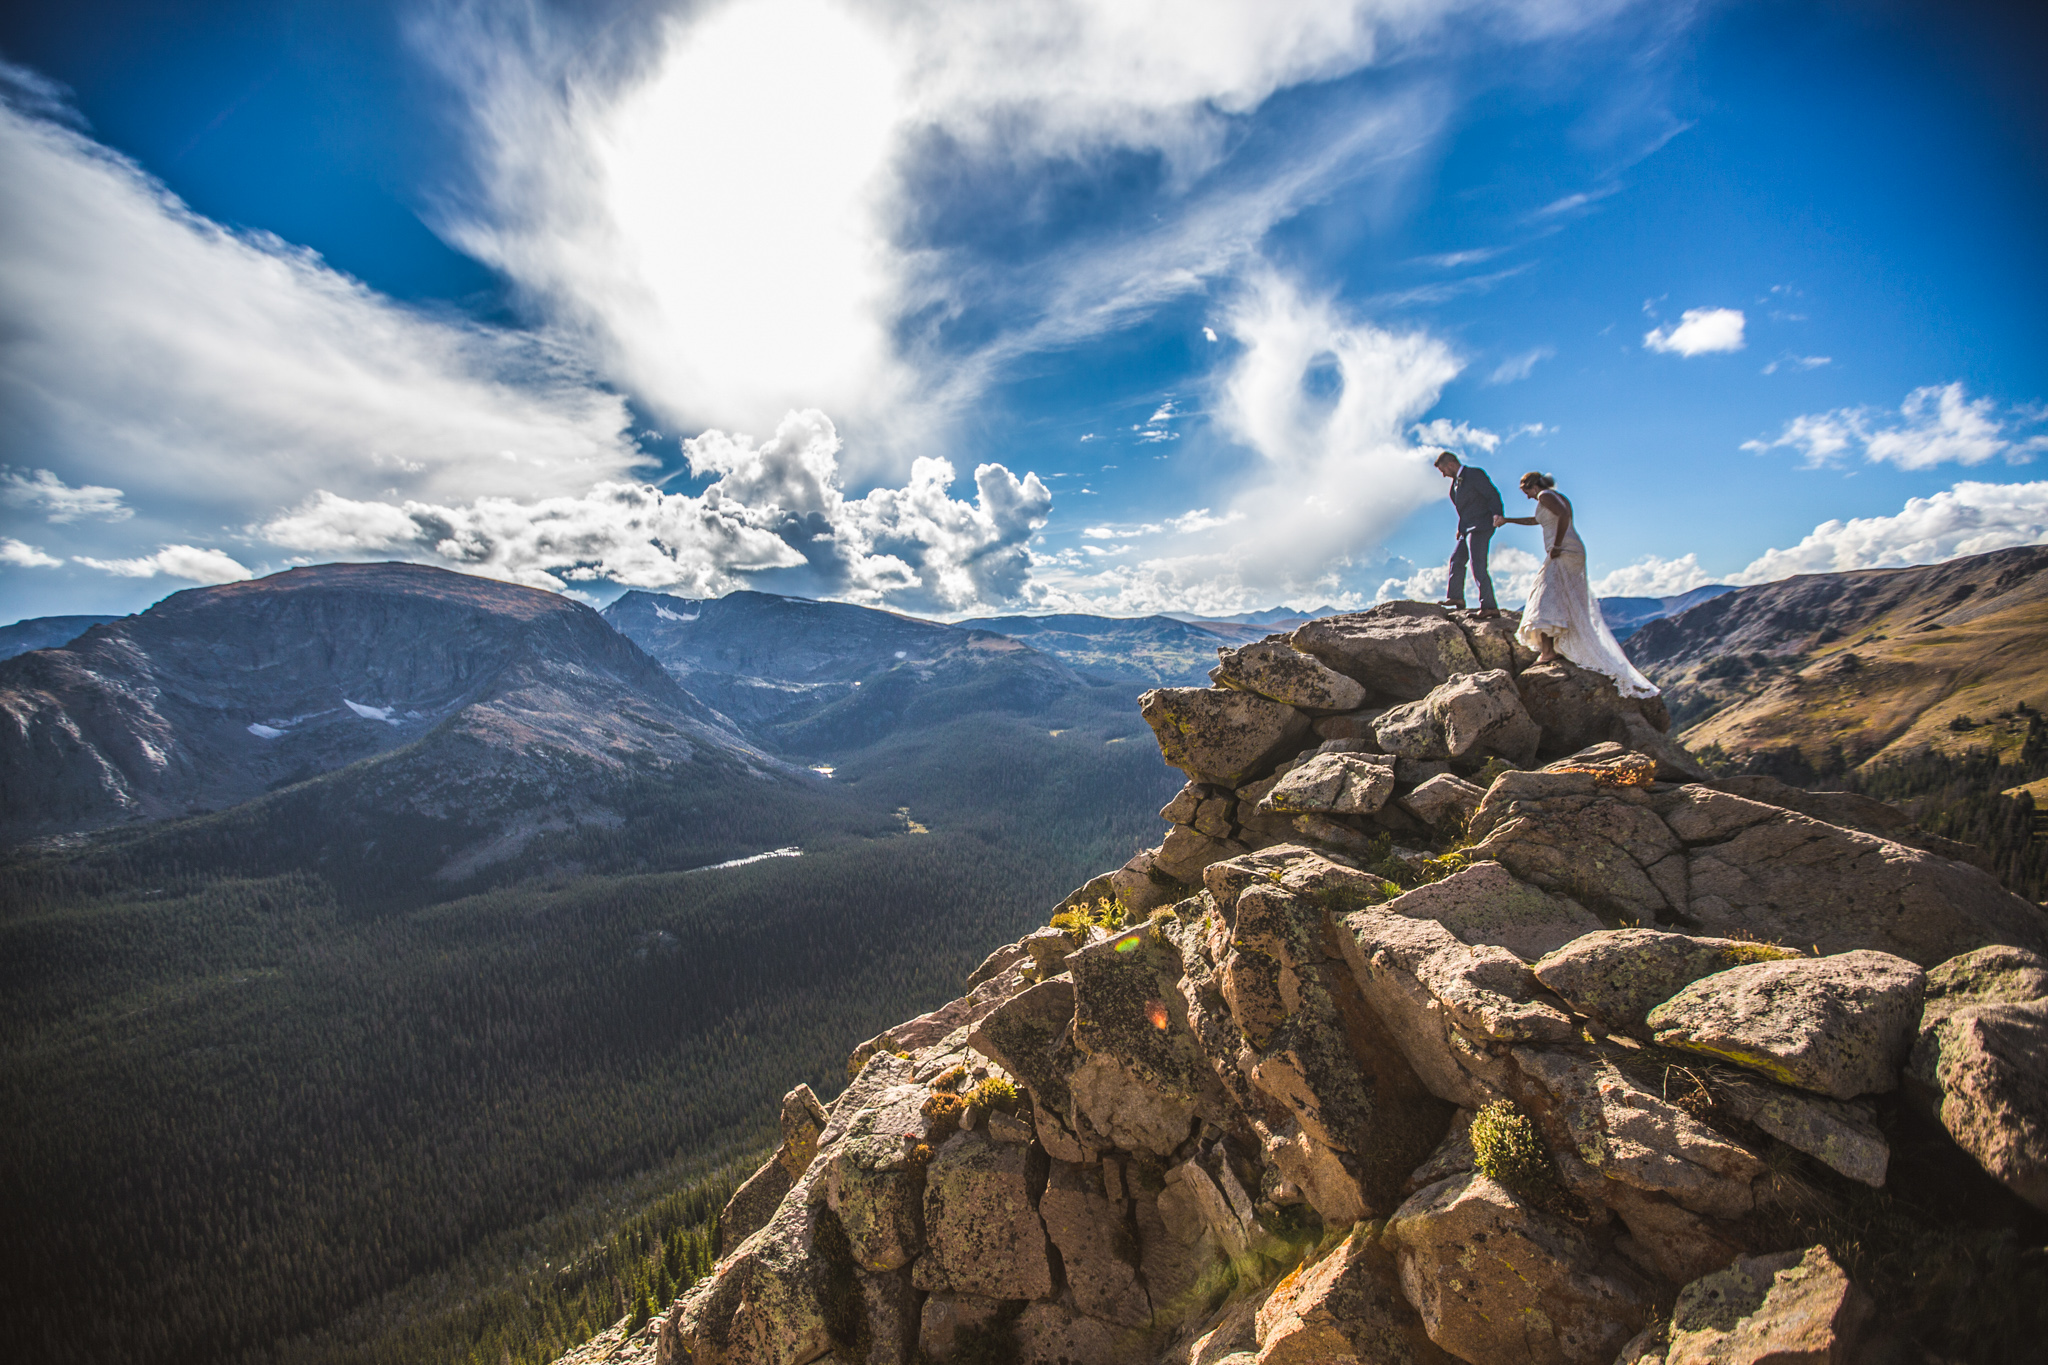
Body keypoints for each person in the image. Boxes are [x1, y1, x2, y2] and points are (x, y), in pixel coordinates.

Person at [1495, 472, 1659, 697]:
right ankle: (1550, 649)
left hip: (1563, 552)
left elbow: (1562, 517)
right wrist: (1507, 520)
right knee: (1557, 595)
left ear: (1533, 486)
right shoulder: (1556, 496)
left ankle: (1548, 652)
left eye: (1526, 492)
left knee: (1544, 596)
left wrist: (1557, 544)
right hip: (1569, 551)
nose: (1527, 497)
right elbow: (1537, 520)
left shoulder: (1544, 496)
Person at [1433, 450, 1503, 617]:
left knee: (1478, 565)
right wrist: (1460, 527)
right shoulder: (1454, 487)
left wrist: (1497, 514)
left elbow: (1492, 494)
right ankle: (1456, 597)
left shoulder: (1474, 474)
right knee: (1456, 560)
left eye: (1443, 470)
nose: (1443, 475)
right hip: (1467, 528)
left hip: (1481, 526)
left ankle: (1489, 606)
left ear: (1451, 464)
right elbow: (1464, 511)